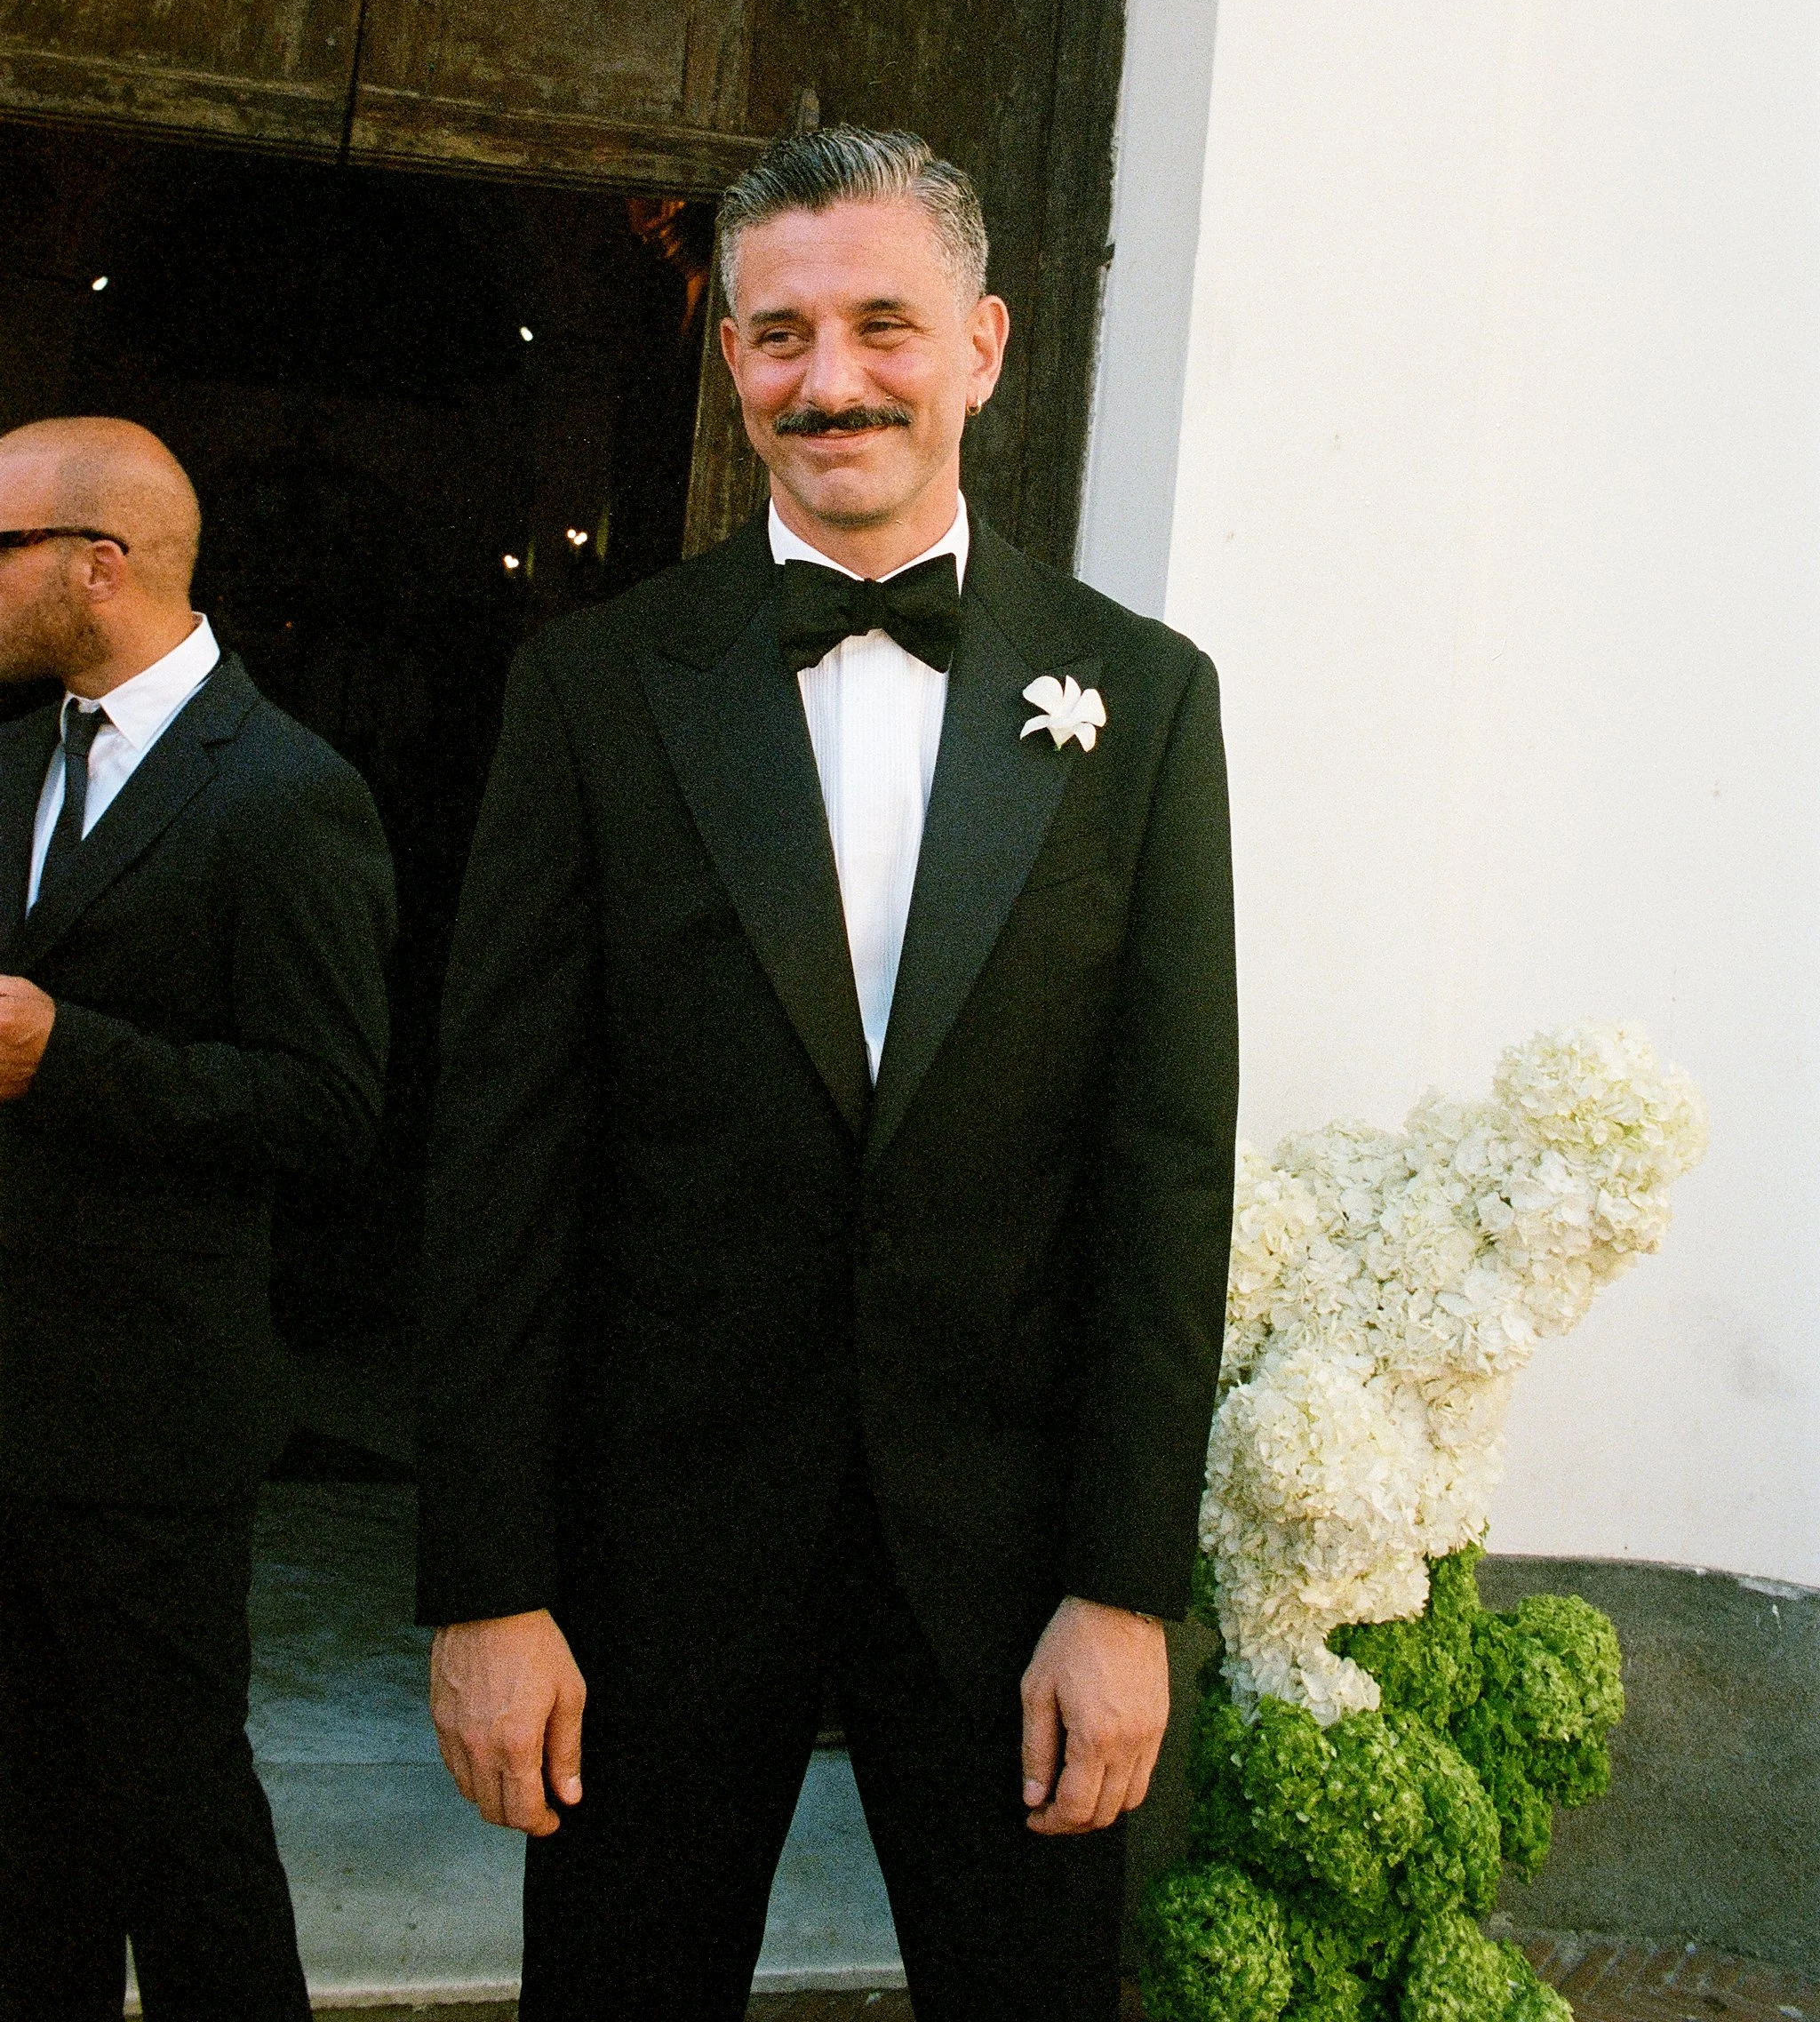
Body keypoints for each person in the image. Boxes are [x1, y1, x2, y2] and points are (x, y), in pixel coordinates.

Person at [417, 128, 1240, 2022]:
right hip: (651, 1553)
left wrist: (1124, 1590)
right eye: (777, 331)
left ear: (986, 344)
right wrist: (485, 1584)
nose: (831, 377)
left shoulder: (1146, 698)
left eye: (883, 322)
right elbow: (499, 1164)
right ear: (726, 359)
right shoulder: (593, 686)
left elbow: (1162, 1167)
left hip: (1012, 1562)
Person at [0, 418, 395, 2021]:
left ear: (98, 566)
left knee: (183, 1834)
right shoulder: (13, 757)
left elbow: (329, 1107)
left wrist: (64, 1056)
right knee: (23, 1836)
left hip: (150, 1428)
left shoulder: (291, 793)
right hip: (7, 1406)